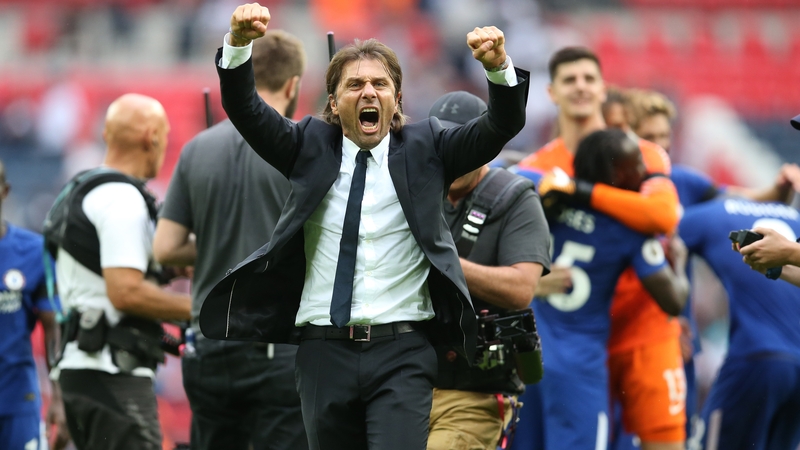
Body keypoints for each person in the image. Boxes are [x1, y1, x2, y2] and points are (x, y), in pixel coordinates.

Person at [198, 4, 529, 450]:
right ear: (334, 103)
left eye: (380, 84)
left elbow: (502, 124)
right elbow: (245, 107)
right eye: (355, 85)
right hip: (323, 352)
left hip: (403, 351)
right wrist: (238, 44)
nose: (368, 92)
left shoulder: (429, 148)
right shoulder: (307, 145)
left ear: (397, 100)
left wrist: (497, 67)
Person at [509, 47, 684, 450]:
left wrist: (580, 191)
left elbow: (663, 215)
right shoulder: (536, 166)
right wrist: (530, 283)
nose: (581, 87)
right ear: (552, 92)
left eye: (589, 78)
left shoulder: (642, 154)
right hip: (568, 336)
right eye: (570, 80)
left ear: (604, 88)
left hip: (640, 329)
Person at [153, 30, 308, 450]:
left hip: (210, 344)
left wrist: (218, 248)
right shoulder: (305, 149)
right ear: (292, 85)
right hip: (278, 345)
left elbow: (165, 247)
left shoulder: (197, 148)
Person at [50, 94, 191, 450]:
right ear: (151, 137)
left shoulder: (86, 190)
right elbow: (125, 291)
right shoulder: (122, 199)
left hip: (83, 369)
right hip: (113, 374)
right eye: (164, 135)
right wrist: (202, 309)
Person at [425, 91, 550, 450]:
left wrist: (444, 264)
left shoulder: (517, 199)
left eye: (464, 141)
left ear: (486, 145)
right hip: (401, 382)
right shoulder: (409, 188)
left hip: (474, 392)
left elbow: (521, 288)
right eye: (443, 141)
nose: (452, 152)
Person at [680, 196, 800, 450]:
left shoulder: (713, 214)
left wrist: (788, 252)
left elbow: (665, 236)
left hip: (757, 358)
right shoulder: (796, 218)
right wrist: (778, 268)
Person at [0, 159, 70, 450]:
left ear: (5, 191)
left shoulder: (33, 252)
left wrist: (60, 398)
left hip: (17, 402)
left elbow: (54, 329)